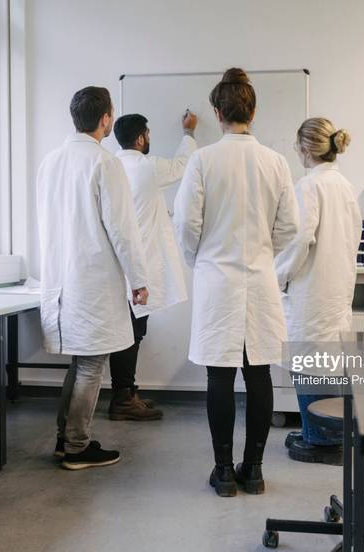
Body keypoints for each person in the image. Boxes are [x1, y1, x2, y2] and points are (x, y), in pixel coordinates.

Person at [174, 68, 299, 497]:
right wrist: (264, 251)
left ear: (217, 111)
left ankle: (224, 472)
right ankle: (256, 470)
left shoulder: (203, 160)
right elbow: (290, 227)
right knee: (259, 372)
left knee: (219, 377)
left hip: (217, 280)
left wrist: (200, 258)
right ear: (253, 111)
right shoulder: (276, 162)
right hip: (260, 279)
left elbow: (186, 224)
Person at [37, 86, 150, 470]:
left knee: (81, 361)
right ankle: (77, 446)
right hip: (92, 280)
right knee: (90, 364)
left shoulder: (50, 161)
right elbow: (122, 229)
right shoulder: (105, 163)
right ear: (106, 119)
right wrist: (138, 278)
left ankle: (64, 439)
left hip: (61, 277)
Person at [275, 117, 362, 463]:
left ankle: (321, 441)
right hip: (335, 287)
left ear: (305, 149)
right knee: (327, 363)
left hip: (313, 291)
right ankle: (324, 431)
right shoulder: (344, 185)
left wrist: (277, 276)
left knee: (310, 363)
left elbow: (299, 241)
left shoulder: (309, 186)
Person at [108, 111, 199, 421]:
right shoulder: (146, 168)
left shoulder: (112, 166)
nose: (150, 138)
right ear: (140, 139)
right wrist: (188, 133)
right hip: (137, 265)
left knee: (130, 331)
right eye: (148, 133)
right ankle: (122, 398)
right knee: (132, 333)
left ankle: (127, 392)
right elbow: (181, 167)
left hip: (116, 266)